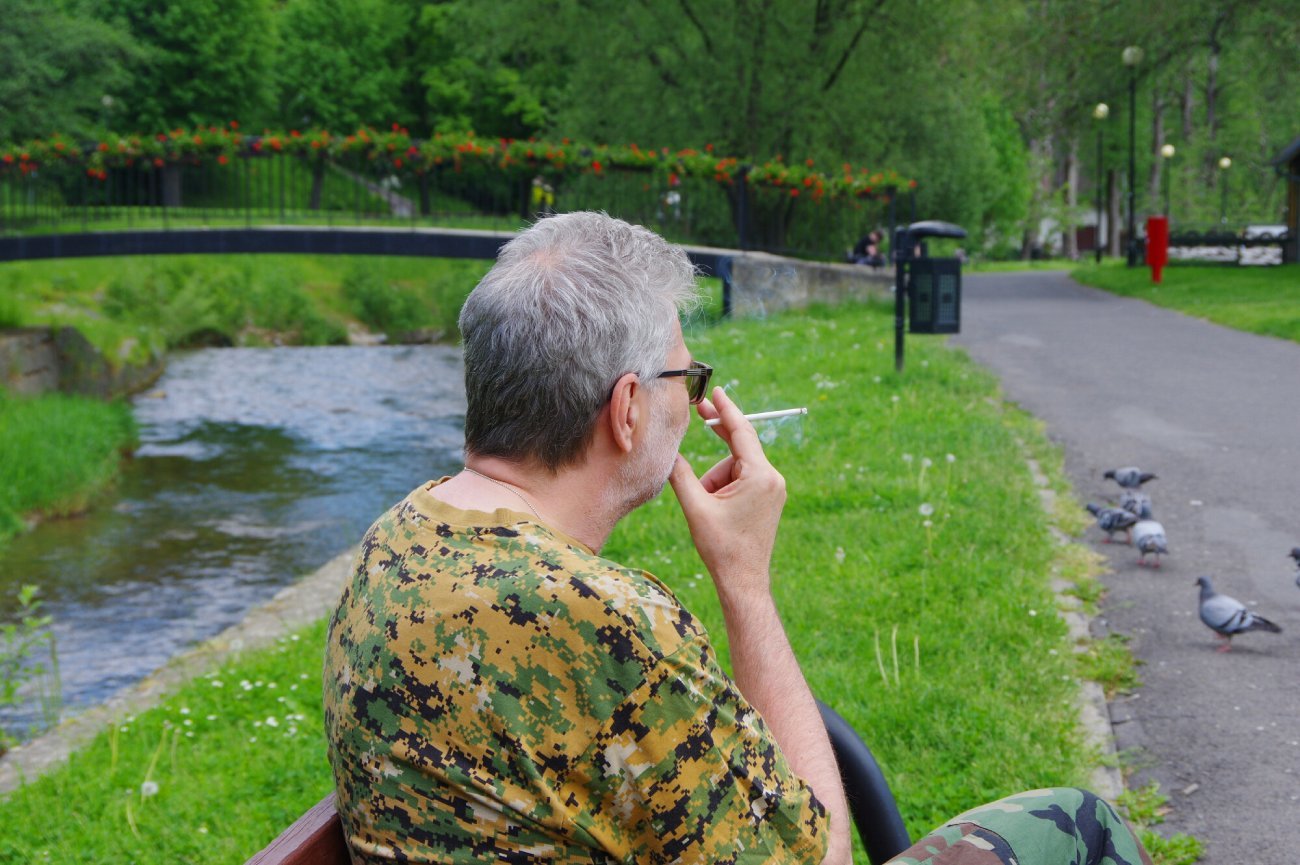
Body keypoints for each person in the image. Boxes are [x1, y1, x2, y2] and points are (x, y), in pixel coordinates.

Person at [323, 211, 1151, 865]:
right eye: (689, 378)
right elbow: (814, 855)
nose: (697, 401)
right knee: (1078, 820)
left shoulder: (398, 538)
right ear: (628, 409)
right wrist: (744, 579)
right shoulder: (597, 619)